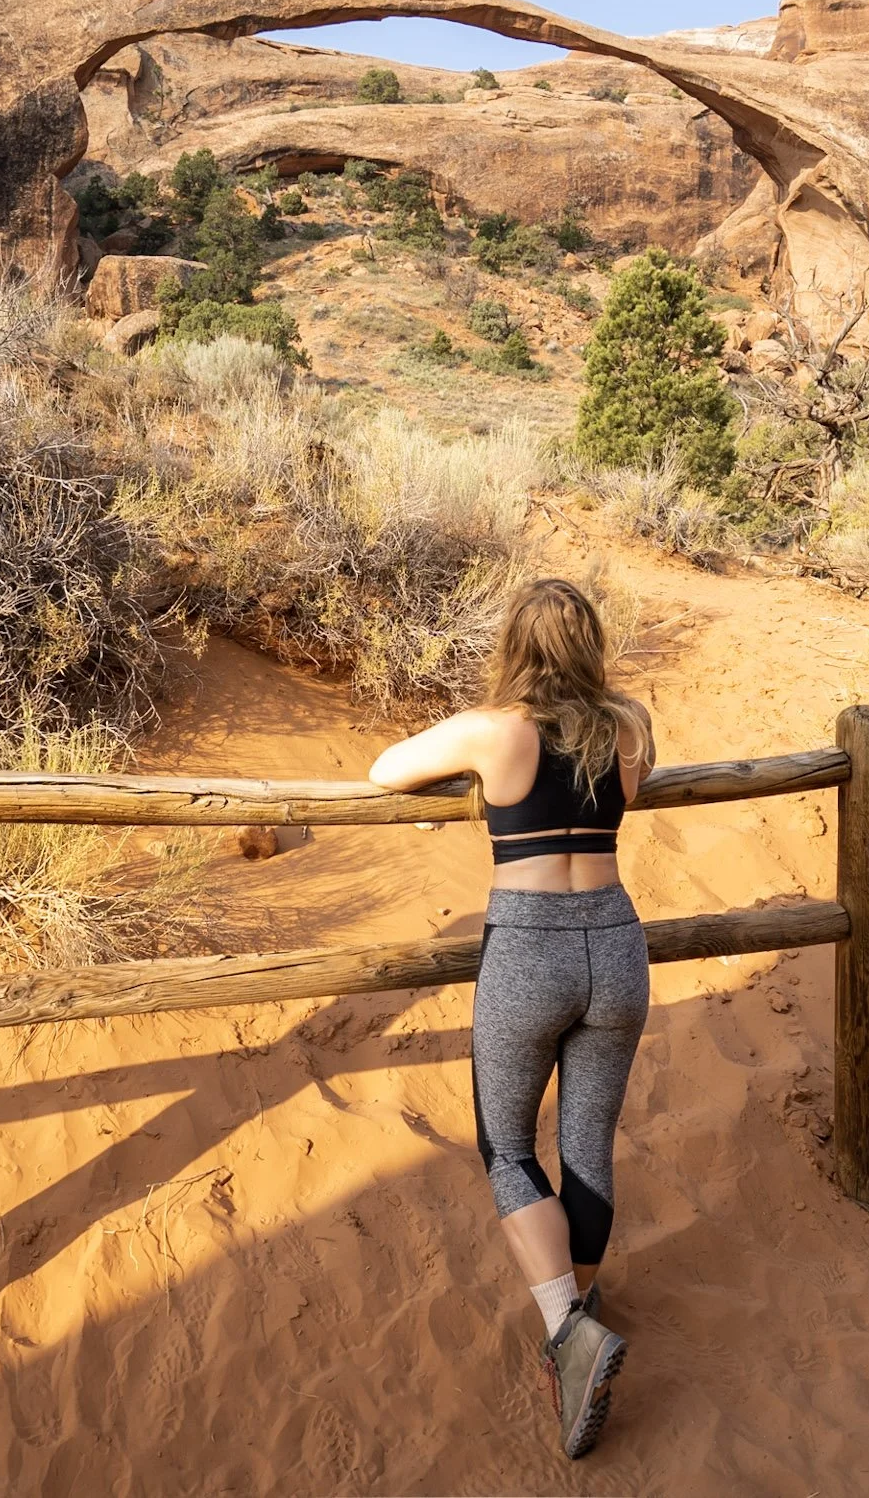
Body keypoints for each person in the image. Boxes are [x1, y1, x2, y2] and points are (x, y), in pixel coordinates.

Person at [368, 577, 654, 1460]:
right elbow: (632, 792)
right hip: (615, 942)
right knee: (589, 1148)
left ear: (516, 647)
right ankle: (584, 1316)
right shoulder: (630, 725)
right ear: (591, 644)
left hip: (528, 949)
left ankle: (569, 1331)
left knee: (504, 1147)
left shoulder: (494, 731)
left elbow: (383, 771)